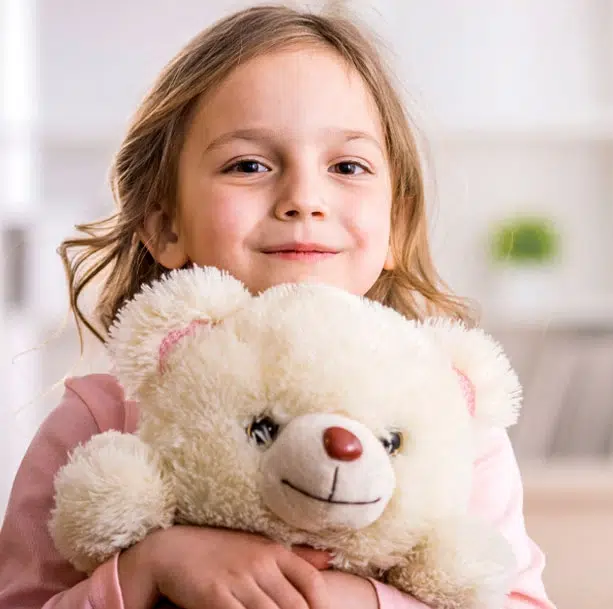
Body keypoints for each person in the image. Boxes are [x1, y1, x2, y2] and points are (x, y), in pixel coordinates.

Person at [0, 5, 555, 609]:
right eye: (250, 165)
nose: (304, 198)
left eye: (347, 166)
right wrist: (148, 570)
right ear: (164, 226)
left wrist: (349, 598)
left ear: (395, 225)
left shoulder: (446, 418)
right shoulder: (100, 418)